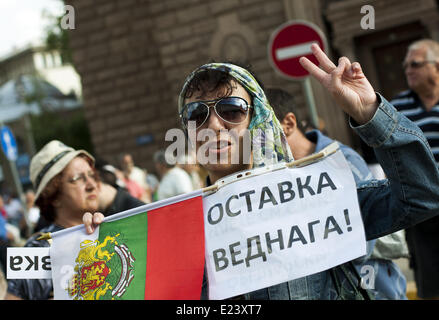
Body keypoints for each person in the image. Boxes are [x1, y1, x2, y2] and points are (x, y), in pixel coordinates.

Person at [84, 45, 439, 300]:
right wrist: (102, 252)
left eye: (232, 109)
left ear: (259, 123)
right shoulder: (177, 228)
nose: (213, 125)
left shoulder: (315, 196)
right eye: (196, 114)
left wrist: (370, 114)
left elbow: (424, 196)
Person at [266, 87, 409, 300]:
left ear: (288, 124)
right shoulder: (277, 174)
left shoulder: (342, 162)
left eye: (262, 129)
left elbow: (362, 240)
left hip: (372, 289)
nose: (253, 141)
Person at [5, 140, 100, 300]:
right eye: (78, 178)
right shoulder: (34, 248)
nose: (92, 184)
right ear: (53, 194)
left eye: (91, 175)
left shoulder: (108, 228)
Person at [390, 39, 439, 299]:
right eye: (406, 65)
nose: (408, 70)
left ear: (437, 67)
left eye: (416, 64)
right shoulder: (398, 107)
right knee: (430, 283)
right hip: (422, 212)